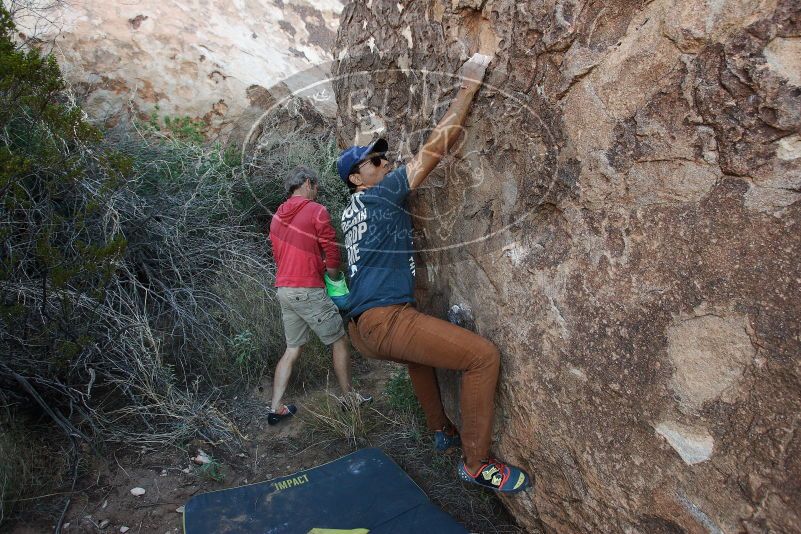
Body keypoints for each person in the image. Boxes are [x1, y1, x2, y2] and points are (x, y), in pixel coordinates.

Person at [337, 54, 530, 493]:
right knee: (482, 358)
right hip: (384, 321)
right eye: (375, 160)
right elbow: (433, 151)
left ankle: (440, 429)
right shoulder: (381, 195)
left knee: (418, 358)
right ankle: (477, 464)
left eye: (383, 158)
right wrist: (468, 88)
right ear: (356, 177)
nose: (385, 162)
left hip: (362, 330)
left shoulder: (351, 210)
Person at [267, 166, 371, 426]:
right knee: (339, 340)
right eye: (316, 186)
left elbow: (278, 256)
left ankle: (276, 407)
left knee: (292, 348)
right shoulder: (316, 210)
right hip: (308, 290)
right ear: (307, 183)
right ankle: (350, 398)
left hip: (284, 290)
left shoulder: (277, 217)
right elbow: (332, 253)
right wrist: (335, 281)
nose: (317, 191)